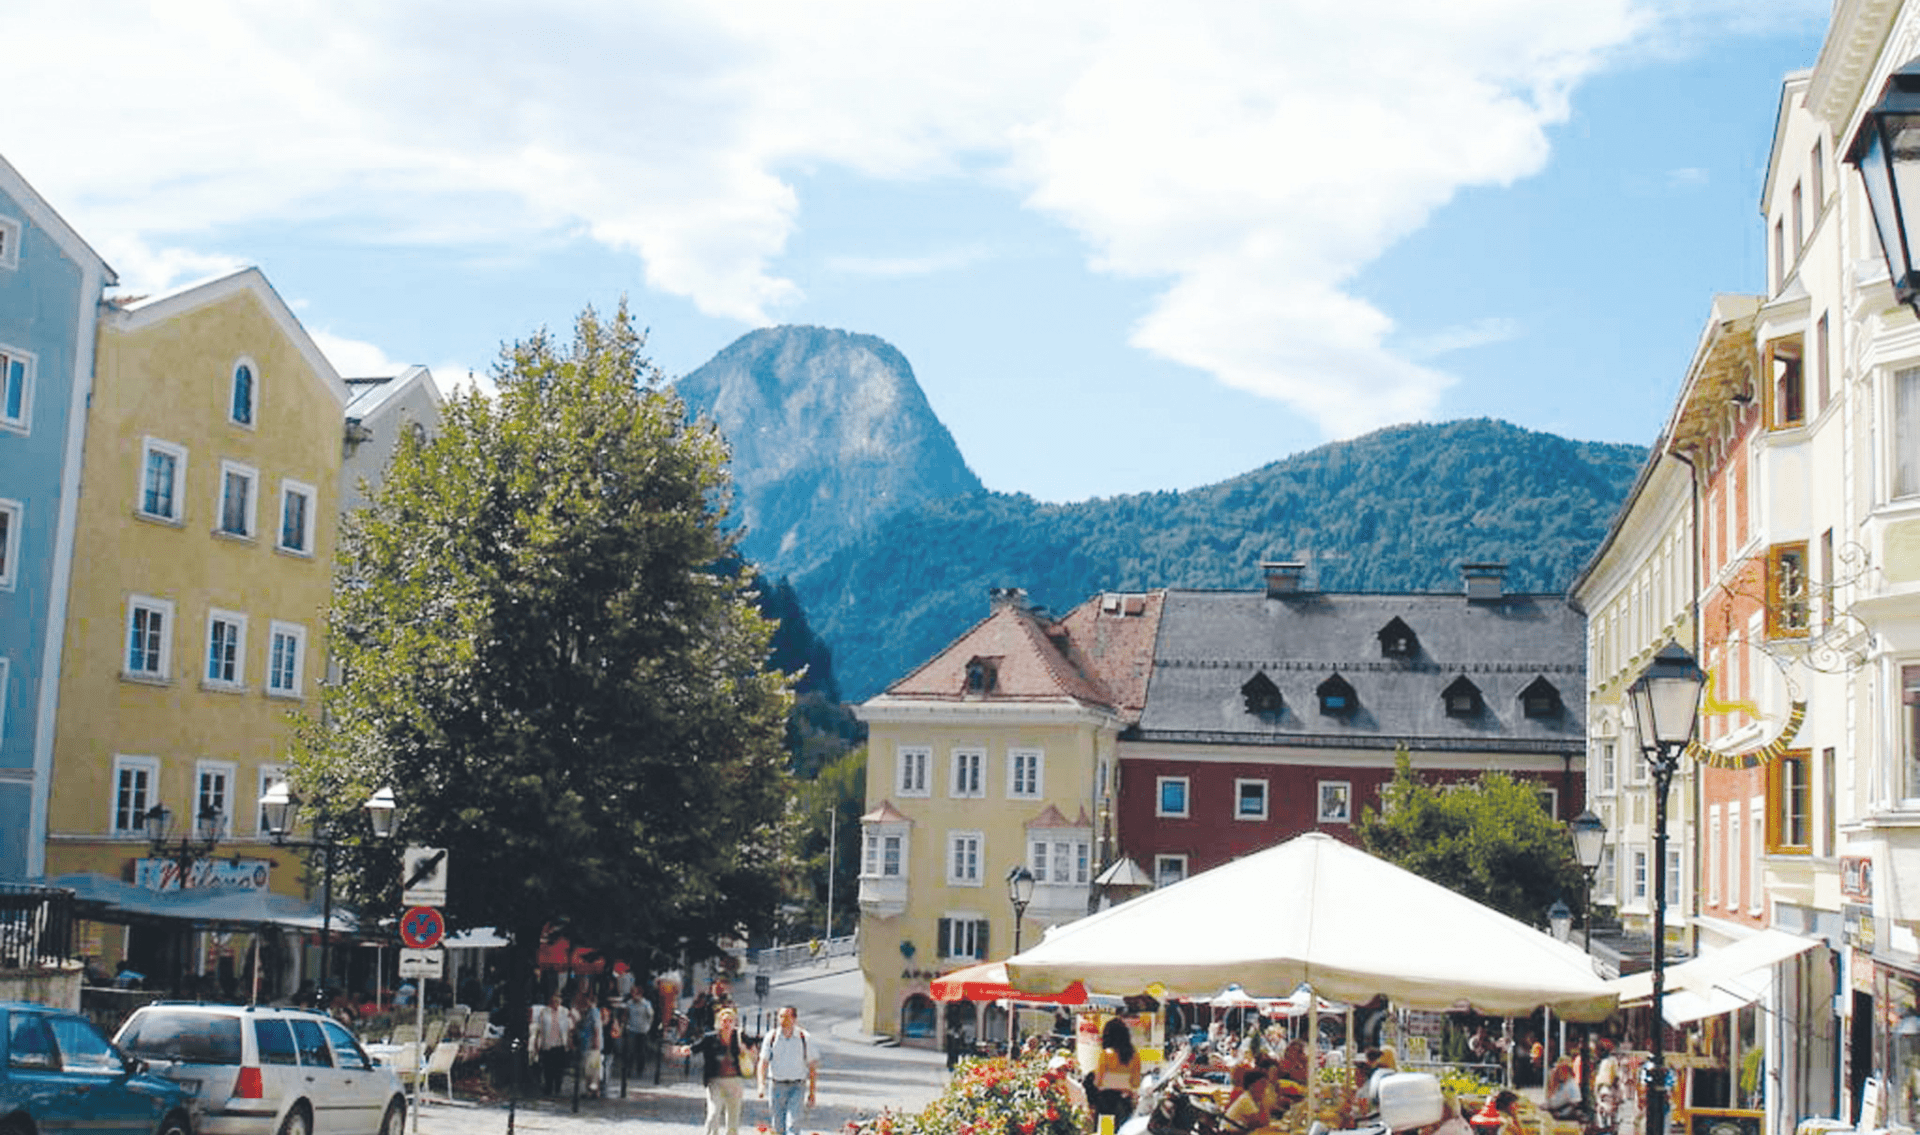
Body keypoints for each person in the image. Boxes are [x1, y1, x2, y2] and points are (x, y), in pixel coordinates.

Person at [672, 1004, 753, 1135]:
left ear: (734, 1022)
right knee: (713, 1114)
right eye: (724, 1021)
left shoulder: (740, 1036)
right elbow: (695, 1048)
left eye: (730, 1021)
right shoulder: (710, 1038)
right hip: (715, 1081)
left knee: (733, 1117)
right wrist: (683, 1050)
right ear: (719, 1022)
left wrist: (746, 1050)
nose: (727, 1024)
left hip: (735, 1081)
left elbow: (754, 1051)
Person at [757, 1004, 819, 1135]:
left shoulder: (804, 1038)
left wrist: (812, 1092)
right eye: (780, 1016)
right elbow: (763, 1062)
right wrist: (761, 1085)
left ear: (794, 1019)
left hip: (797, 1086)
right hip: (776, 1085)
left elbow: (812, 1066)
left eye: (787, 1016)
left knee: (793, 1124)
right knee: (778, 1126)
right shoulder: (771, 1037)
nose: (783, 1020)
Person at [1092, 1016, 1143, 1125]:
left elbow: (1097, 1082)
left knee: (1106, 1130)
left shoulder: (1106, 1054)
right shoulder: (1134, 1056)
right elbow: (1136, 1082)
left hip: (1106, 1100)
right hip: (1125, 1100)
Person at [533, 991, 575, 1096]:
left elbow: (570, 1028)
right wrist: (537, 1044)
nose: (556, 1002)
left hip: (560, 1044)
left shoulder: (565, 1012)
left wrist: (570, 1042)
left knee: (559, 1068)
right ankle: (548, 1087)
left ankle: (557, 1088)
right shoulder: (544, 1011)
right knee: (548, 1068)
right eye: (554, 999)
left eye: (558, 999)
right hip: (548, 1044)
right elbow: (540, 1029)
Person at [626, 989, 655, 1077]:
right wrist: (627, 1025)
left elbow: (650, 1015)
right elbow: (626, 1014)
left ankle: (640, 1070)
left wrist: (648, 1026)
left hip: (643, 1030)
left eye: (635, 994)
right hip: (632, 1029)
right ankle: (629, 1070)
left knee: (641, 1051)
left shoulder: (646, 1004)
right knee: (630, 1051)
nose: (634, 996)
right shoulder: (629, 1003)